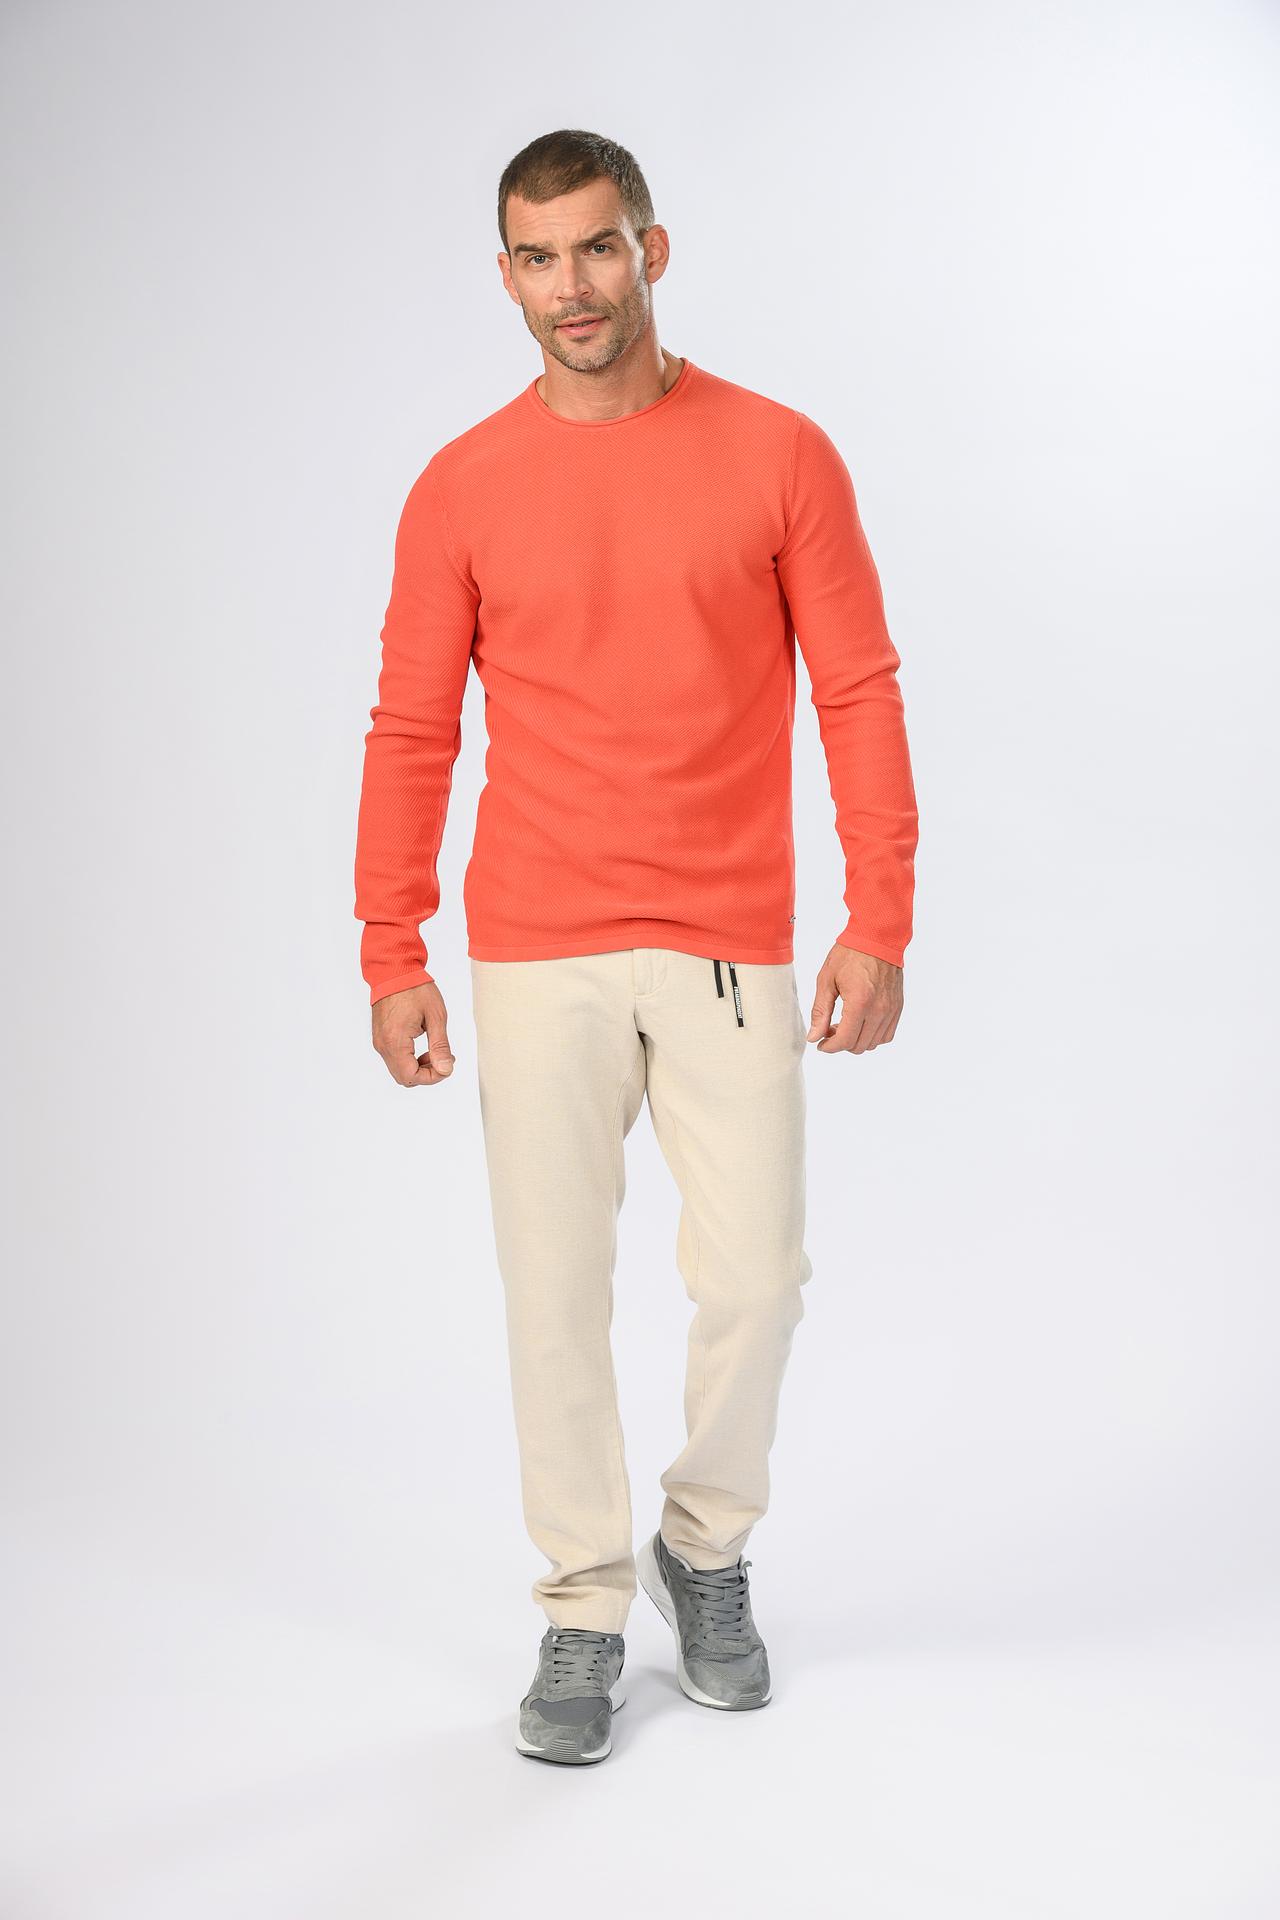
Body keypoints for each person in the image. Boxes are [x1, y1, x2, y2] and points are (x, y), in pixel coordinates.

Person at [353, 128, 919, 1766]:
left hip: (728, 934)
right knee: (554, 1293)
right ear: (507, 277)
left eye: (598, 248)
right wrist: (392, 943)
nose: (572, 287)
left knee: (754, 1279)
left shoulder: (779, 454)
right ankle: (585, 1608)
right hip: (537, 944)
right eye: (538, 259)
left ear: (651, 252)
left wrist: (878, 913)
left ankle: (704, 1545)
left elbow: (856, 687)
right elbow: (412, 727)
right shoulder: (460, 487)